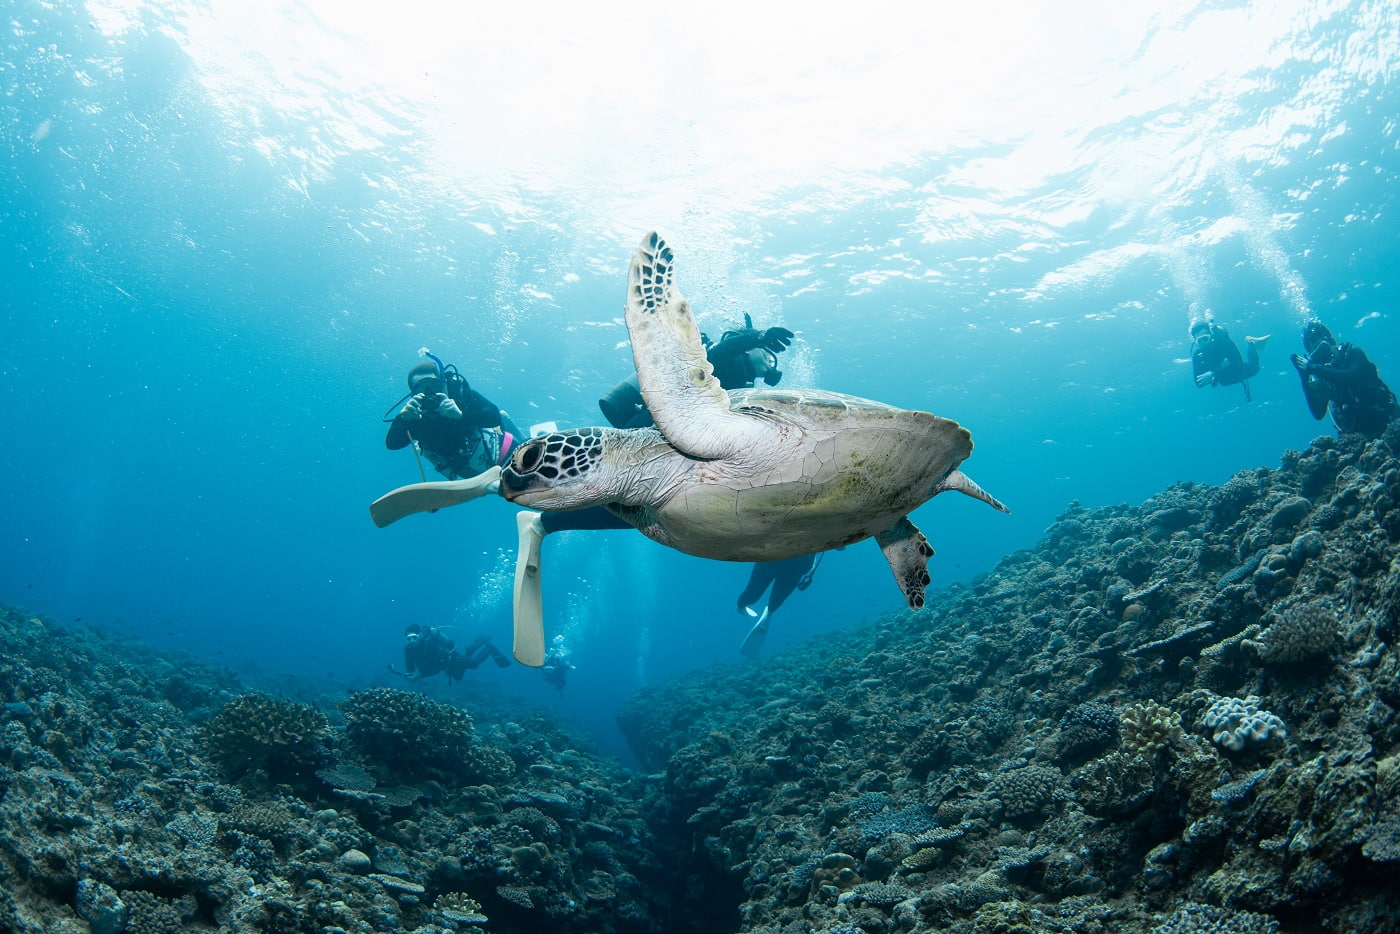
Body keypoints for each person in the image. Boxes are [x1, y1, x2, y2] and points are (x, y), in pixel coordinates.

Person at [384, 349, 523, 481]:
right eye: (421, 389)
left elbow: (494, 417)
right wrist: (403, 420)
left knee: (534, 464)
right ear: (413, 393)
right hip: (472, 473)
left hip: (504, 452)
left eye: (433, 386)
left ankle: (526, 439)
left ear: (443, 384)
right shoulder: (413, 416)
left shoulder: (459, 394)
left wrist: (462, 415)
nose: (429, 393)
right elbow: (392, 444)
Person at [1291, 321, 1398, 439]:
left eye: (1323, 347)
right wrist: (1304, 378)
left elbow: (1351, 377)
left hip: (1389, 422)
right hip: (1356, 437)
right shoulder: (1322, 378)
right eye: (1316, 351)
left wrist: (1312, 367)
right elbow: (1318, 413)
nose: (1322, 355)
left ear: (1332, 342)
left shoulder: (1353, 354)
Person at [735, 552, 820, 658]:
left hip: (794, 565)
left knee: (771, 600)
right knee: (753, 595)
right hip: (776, 559)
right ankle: (742, 606)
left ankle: (766, 612)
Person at [1190, 319, 1268, 402]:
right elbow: (1199, 383)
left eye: (1205, 339)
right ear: (1195, 342)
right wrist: (1217, 372)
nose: (1203, 343)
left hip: (1237, 370)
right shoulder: (1197, 355)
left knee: (1254, 368)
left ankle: (1251, 342)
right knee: (1224, 382)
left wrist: (1213, 373)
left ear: (1211, 336)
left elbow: (1237, 364)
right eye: (1199, 341)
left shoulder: (1222, 343)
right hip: (1224, 379)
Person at [400, 623, 509, 683]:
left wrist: (420, 675)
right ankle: (470, 649)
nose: (411, 641)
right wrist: (410, 674)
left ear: (420, 635)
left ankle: (488, 649)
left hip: (452, 658)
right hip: (445, 666)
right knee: (458, 677)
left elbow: (438, 665)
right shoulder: (408, 651)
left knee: (473, 664)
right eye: (408, 639)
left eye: (414, 637)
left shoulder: (430, 644)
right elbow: (409, 668)